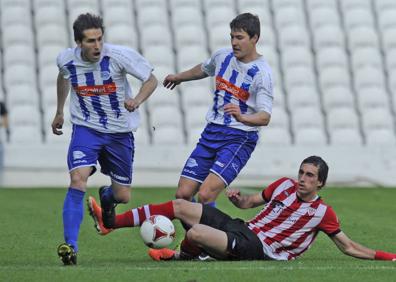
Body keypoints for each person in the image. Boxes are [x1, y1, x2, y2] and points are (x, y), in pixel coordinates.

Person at [87, 156, 396, 262]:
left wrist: (388, 256)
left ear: (321, 184)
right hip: (244, 228)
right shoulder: (283, 185)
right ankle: (111, 223)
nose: (302, 179)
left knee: (197, 233)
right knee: (182, 205)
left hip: (258, 248)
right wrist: (240, 200)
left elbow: (349, 247)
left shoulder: (323, 214)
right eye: (301, 173)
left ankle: (184, 256)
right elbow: (253, 202)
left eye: (309, 176)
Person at [53, 13, 158, 265]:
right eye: (90, 41)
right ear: (79, 42)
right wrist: (59, 111)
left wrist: (137, 100)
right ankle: (71, 246)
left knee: (123, 196)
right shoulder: (66, 60)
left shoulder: (118, 56)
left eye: (100, 39)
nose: (97, 45)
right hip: (86, 129)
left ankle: (107, 198)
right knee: (77, 178)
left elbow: (151, 80)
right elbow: (63, 77)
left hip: (119, 133)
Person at [163, 13, 273, 207]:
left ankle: (207, 236)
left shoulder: (262, 74)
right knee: (182, 194)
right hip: (212, 132)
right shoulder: (223, 56)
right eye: (232, 37)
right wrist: (180, 77)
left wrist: (242, 117)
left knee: (205, 195)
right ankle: (196, 235)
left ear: (255, 38)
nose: (234, 42)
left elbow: (265, 117)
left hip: (239, 137)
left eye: (240, 37)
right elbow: (204, 69)